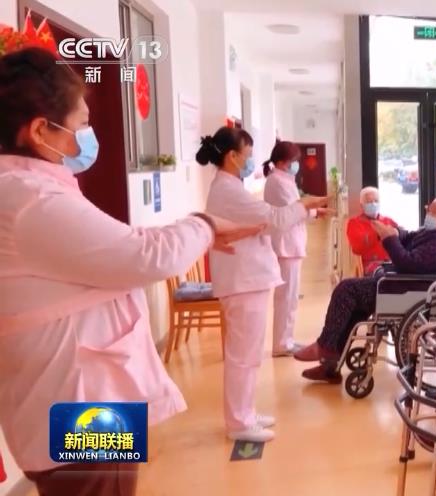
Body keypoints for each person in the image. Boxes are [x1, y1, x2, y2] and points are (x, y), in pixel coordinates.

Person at [0, 47, 261, 496]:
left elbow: (116, 246)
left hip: (92, 391)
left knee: (116, 484)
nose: (87, 138)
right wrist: (204, 225)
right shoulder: (31, 201)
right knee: (105, 486)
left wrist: (195, 232)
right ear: (41, 129)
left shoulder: (33, 190)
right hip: (77, 402)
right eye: (81, 125)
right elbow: (146, 256)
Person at [199, 127, 328, 443]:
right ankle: (239, 422)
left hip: (247, 278)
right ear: (232, 156)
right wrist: (308, 204)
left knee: (249, 354)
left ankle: (245, 412)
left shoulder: (231, 187)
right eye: (247, 154)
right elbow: (276, 219)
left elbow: (264, 222)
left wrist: (293, 211)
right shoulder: (227, 190)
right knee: (243, 355)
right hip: (242, 279)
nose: (251, 160)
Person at [294, 197, 436, 383]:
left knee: (345, 289)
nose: (428, 213)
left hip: (408, 291)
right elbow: (409, 238)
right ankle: (330, 361)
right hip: (403, 287)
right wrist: (394, 232)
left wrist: (389, 239)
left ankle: (326, 348)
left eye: (433, 211)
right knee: (353, 303)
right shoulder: (434, 233)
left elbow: (407, 263)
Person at [262, 140, 331, 357]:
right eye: (294, 161)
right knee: (286, 297)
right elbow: (292, 211)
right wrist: (313, 208)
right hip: (286, 246)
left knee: (290, 297)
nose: (296, 165)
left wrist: (314, 211)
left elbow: (297, 209)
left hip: (291, 244)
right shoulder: (276, 182)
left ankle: (287, 340)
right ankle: (282, 344)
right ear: (283, 161)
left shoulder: (284, 179)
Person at [346, 186, 398, 274]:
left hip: (391, 263)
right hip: (370, 266)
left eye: (376, 201)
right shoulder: (354, 223)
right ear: (362, 205)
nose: (373, 204)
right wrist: (379, 234)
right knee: (384, 273)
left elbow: (402, 238)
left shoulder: (388, 221)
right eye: (369, 202)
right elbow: (357, 247)